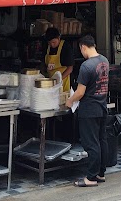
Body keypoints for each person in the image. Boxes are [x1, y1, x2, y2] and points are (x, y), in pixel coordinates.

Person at [66, 35, 109, 188]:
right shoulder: (104, 60)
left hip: (89, 109)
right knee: (101, 140)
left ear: (83, 47)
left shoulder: (86, 66)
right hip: (102, 106)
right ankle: (100, 173)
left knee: (91, 144)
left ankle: (90, 177)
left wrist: (69, 101)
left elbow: (80, 92)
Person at [41, 27, 73, 93]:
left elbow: (70, 68)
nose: (52, 45)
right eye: (50, 43)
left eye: (54, 42)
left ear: (59, 38)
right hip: (51, 81)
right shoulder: (47, 47)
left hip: (63, 80)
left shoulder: (65, 47)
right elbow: (43, 64)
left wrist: (58, 80)